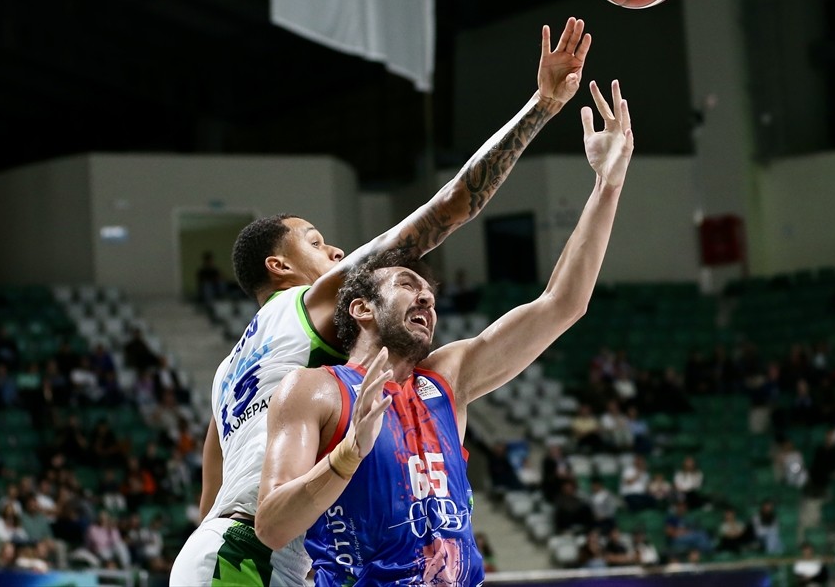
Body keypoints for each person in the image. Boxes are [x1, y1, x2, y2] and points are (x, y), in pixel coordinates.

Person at [170, 19, 595, 586]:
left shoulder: (231, 372)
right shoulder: (312, 300)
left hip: (220, 550)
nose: (338, 251)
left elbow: (210, 498)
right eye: (317, 243)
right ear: (281, 267)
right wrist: (542, 107)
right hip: (261, 550)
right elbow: (449, 208)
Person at [253, 79, 632, 585]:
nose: (427, 297)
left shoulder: (446, 378)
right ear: (363, 308)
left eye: (429, 292)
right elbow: (273, 526)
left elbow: (562, 304)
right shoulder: (314, 389)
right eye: (408, 284)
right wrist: (348, 455)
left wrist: (608, 185)